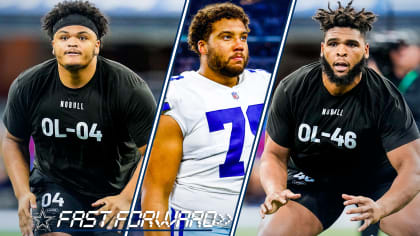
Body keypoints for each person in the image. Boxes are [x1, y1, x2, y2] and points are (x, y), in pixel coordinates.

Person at [258, 1, 420, 236]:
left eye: (351, 44)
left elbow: (413, 168)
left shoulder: (384, 96)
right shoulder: (293, 88)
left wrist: (381, 207)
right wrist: (274, 190)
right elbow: (273, 154)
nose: (342, 51)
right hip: (314, 179)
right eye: (334, 43)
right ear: (323, 49)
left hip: (376, 179)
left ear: (365, 51)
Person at [1, 1, 156, 235]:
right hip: (55, 184)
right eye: (64, 37)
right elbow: (13, 140)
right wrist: (23, 193)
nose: (72, 42)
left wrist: (127, 197)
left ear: (97, 46)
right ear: (53, 46)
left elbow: (153, 151)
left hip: (116, 188)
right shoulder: (28, 85)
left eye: (82, 37)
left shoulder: (128, 88)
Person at [141, 2, 270, 236]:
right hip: (196, 225)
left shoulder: (263, 82)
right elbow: (155, 192)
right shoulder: (178, 96)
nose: (238, 45)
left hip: (252, 219)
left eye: (243, 37)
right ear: (203, 46)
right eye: (226, 37)